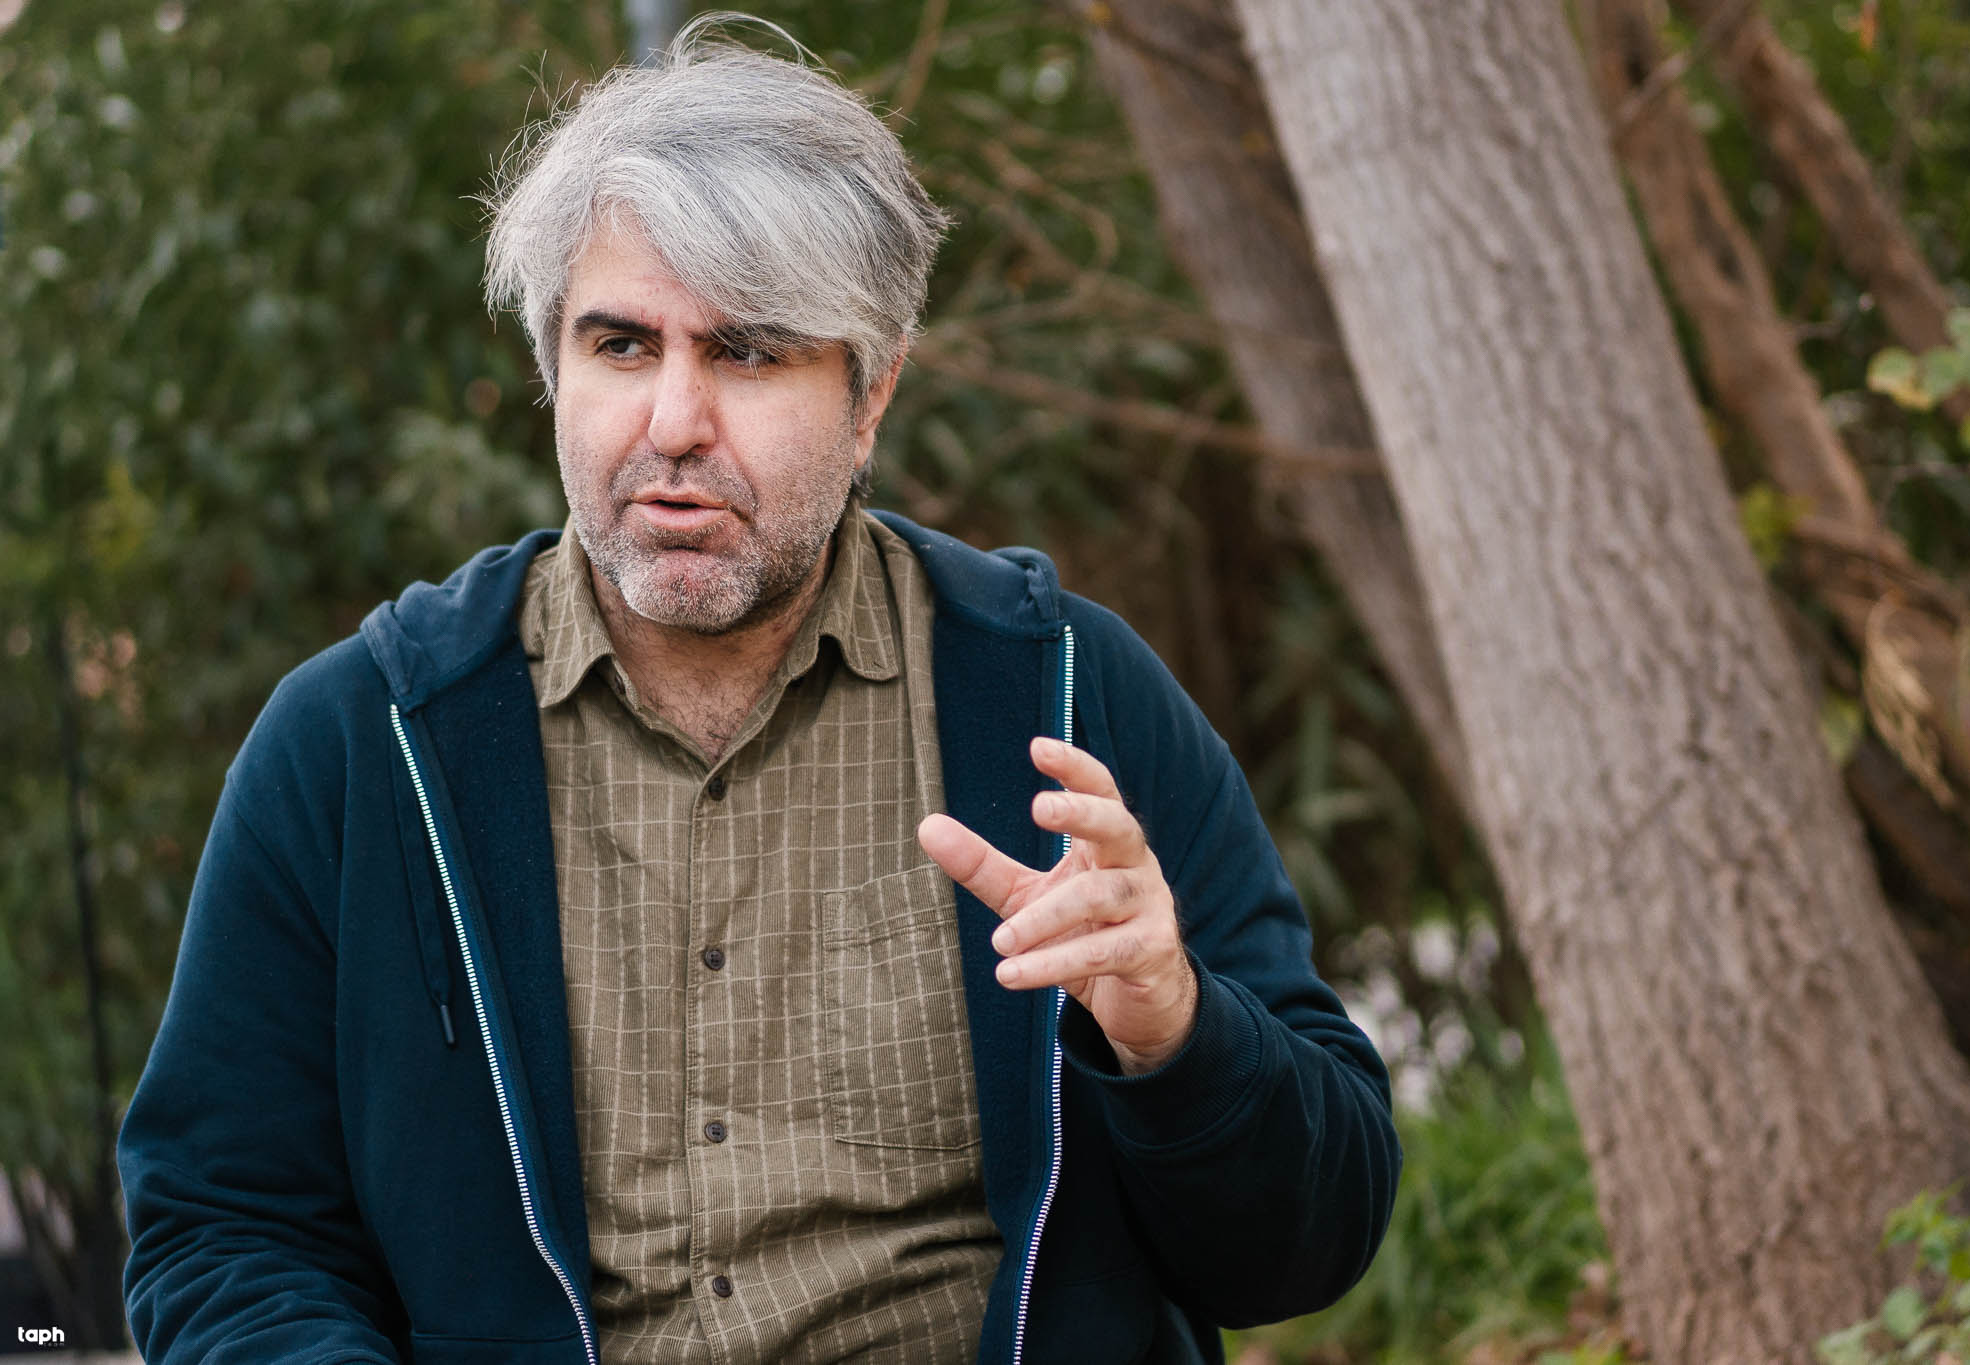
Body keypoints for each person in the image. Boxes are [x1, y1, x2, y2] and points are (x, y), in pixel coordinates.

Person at [116, 18, 1400, 1365]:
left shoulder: (1065, 701)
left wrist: (1175, 1031)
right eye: (623, 345)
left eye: (749, 351)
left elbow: (1309, 1243)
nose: (674, 422)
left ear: (871, 394)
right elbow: (222, 1229)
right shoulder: (363, 745)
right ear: (553, 369)